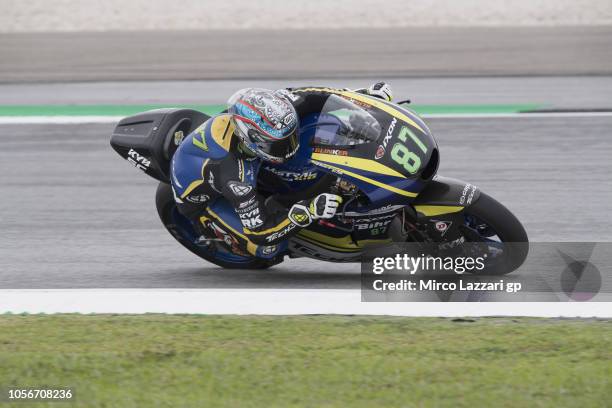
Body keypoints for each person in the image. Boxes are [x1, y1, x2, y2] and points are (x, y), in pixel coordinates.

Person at [170, 82, 393, 259]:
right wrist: (310, 210)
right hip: (204, 198)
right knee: (268, 250)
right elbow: (259, 233)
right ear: (251, 142)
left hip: (247, 162)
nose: (291, 145)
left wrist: (362, 97)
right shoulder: (234, 178)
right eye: (280, 144)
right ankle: (221, 233)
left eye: (291, 136)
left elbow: (320, 96)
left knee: (318, 125)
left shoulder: (279, 107)